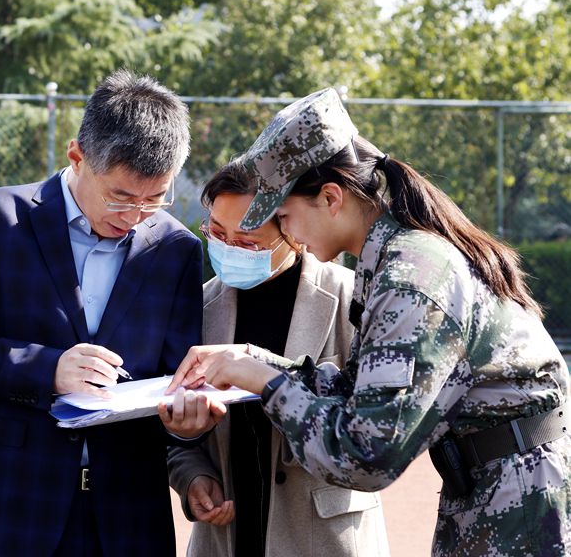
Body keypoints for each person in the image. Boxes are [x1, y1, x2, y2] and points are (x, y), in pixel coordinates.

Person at [168, 88, 571, 556]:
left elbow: (367, 454)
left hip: (518, 504)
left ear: (330, 198)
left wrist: (267, 383)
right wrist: (252, 362)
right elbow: (357, 388)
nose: (287, 232)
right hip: (496, 489)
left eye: (284, 215)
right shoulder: (392, 259)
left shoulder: (412, 276)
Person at [0, 69, 223, 557]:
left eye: (154, 199)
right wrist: (48, 369)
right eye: (121, 197)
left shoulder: (176, 248)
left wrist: (184, 422)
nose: (134, 216)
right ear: (77, 156)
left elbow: (174, 378)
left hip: (128, 518)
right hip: (12, 506)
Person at [167, 160, 389, 557]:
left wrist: (262, 370)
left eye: (248, 242)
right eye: (216, 233)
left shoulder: (352, 298)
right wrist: (192, 473)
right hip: (228, 530)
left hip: (324, 535)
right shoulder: (198, 306)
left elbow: (374, 421)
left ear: (292, 231)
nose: (228, 249)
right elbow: (172, 427)